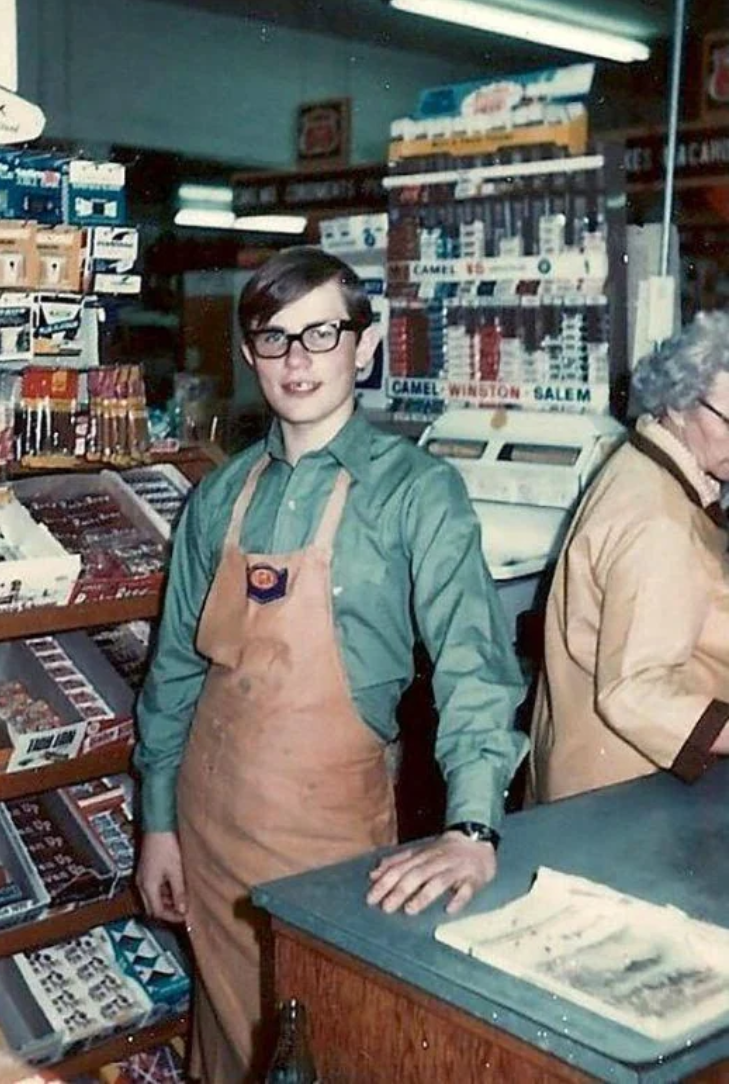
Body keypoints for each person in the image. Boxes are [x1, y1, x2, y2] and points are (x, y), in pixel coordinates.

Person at [135, 246, 527, 1083]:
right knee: (228, 1049)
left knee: (326, 1050)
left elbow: (475, 669)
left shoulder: (417, 492)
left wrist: (471, 826)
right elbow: (173, 672)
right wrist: (158, 822)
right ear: (250, 356)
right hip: (208, 828)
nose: (298, 359)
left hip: (329, 839)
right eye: (274, 339)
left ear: (368, 343)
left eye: (323, 333)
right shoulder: (220, 494)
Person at [528, 310, 729, 805]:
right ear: (679, 405)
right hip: (626, 785)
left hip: (586, 766)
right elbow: (635, 692)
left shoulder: (644, 459)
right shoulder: (660, 521)